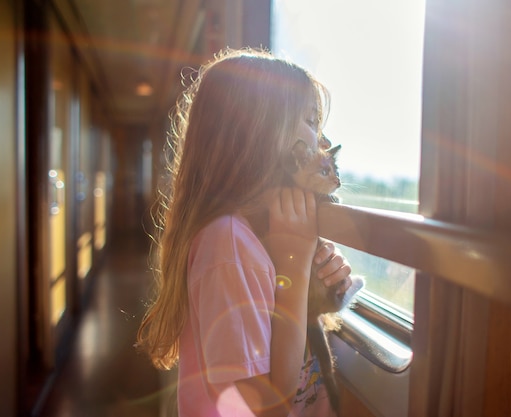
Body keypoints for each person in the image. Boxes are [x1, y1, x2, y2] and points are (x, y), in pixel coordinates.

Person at [136, 48, 354, 417]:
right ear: (262, 133)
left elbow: (283, 318)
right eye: (310, 120)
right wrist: (295, 266)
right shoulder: (229, 244)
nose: (321, 140)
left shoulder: (258, 233)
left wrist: (317, 283)